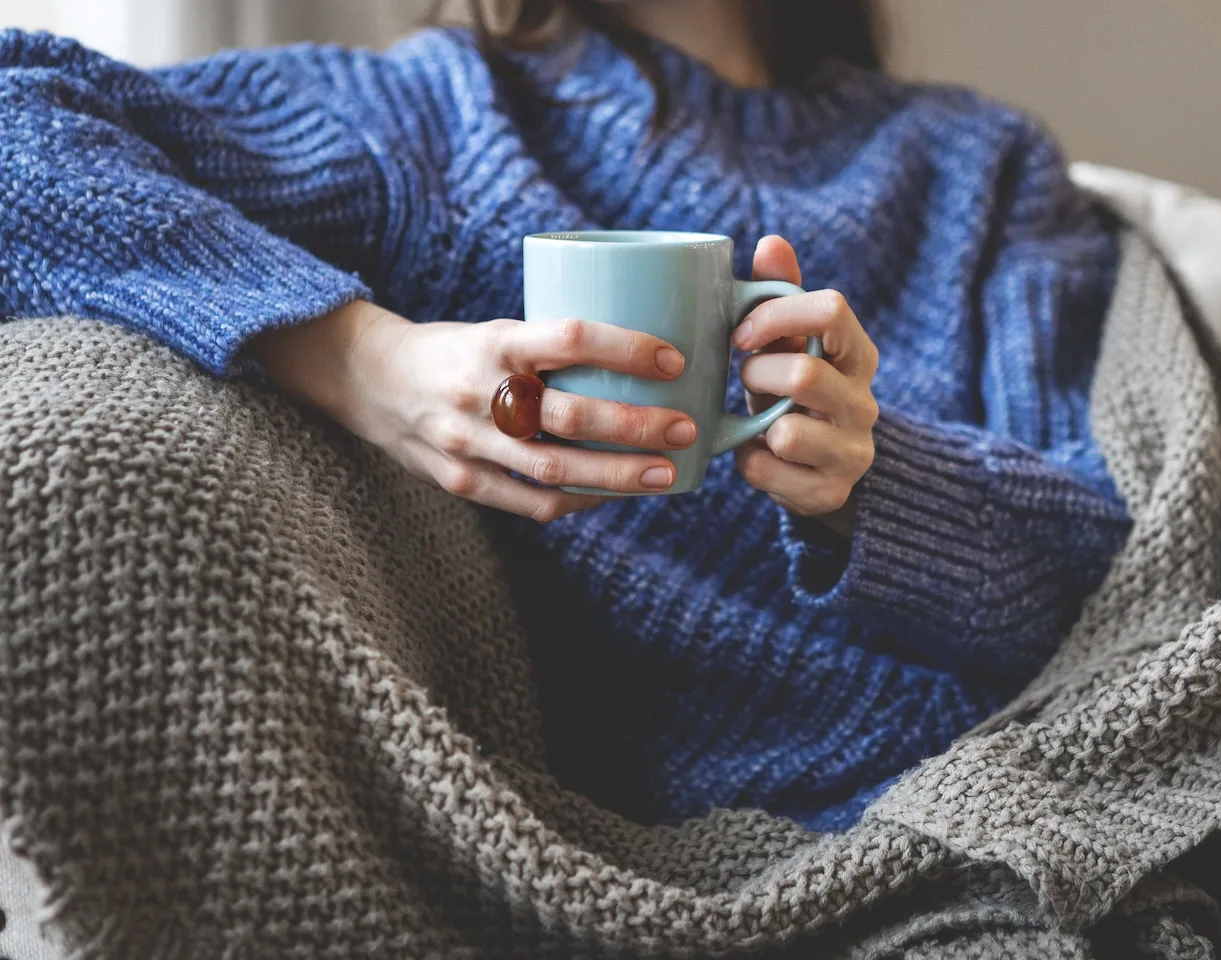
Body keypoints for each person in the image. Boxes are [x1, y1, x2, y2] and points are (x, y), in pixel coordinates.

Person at [0, 0, 1130, 830]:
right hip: (630, 829)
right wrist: (360, 356)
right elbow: (18, 120)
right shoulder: (433, 120)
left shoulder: (983, 166)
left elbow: (1108, 564)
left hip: (1009, 780)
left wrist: (873, 478)